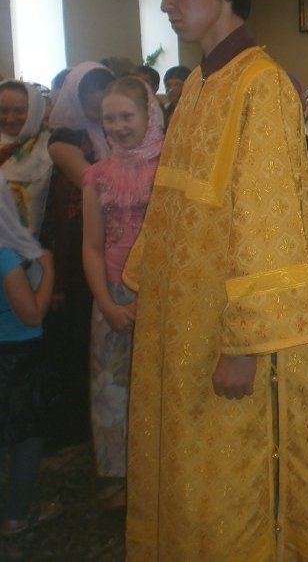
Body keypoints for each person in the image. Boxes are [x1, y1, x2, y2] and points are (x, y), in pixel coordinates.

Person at [122, 0, 308, 561]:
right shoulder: (201, 84)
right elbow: (172, 207)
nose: (167, 3)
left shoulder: (261, 83)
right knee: (192, 482)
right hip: (184, 328)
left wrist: (245, 346)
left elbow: (267, 221)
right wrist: (148, 291)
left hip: (234, 338)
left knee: (236, 493)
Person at [81, 77, 163, 490]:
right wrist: (107, 304)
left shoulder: (171, 170)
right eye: (109, 118)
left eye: (126, 116)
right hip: (112, 293)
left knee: (160, 388)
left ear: (149, 115)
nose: (117, 126)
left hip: (163, 295)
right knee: (113, 390)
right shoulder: (97, 175)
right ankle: (121, 478)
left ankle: (159, 475)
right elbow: (92, 246)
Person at [42, 61, 115, 448]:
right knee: (80, 327)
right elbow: (94, 184)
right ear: (75, 100)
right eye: (92, 107)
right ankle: (79, 419)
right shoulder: (63, 138)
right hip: (78, 240)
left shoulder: (111, 129)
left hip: (110, 236)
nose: (99, 115)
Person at [0, 177, 61, 538]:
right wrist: (49, 269)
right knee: (26, 433)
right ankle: (17, 516)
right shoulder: (5, 256)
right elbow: (32, 314)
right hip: (17, 355)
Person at [0, 80, 53, 236]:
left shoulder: (51, 148)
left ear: (35, 110)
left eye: (19, 111)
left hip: (37, 245)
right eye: (3, 111)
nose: (10, 119)